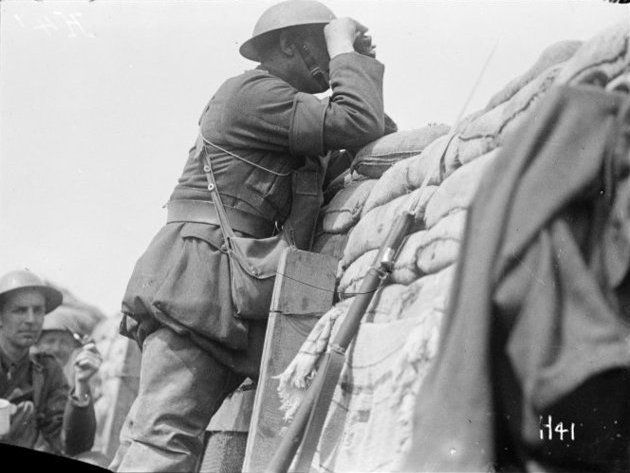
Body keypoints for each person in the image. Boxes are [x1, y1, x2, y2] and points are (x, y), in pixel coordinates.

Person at [112, 1, 391, 471]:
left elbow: (373, 133)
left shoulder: (284, 113)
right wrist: (346, 51)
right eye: (321, 47)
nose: (327, 60)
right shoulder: (253, 94)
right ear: (288, 45)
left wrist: (353, 61)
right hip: (197, 288)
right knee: (162, 443)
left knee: (158, 439)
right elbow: (355, 121)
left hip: (226, 294)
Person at [0, 269, 102, 457]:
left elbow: (73, 447)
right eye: (20, 310)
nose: (31, 320)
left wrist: (81, 385)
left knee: (93, 460)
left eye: (38, 310)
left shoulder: (47, 370)